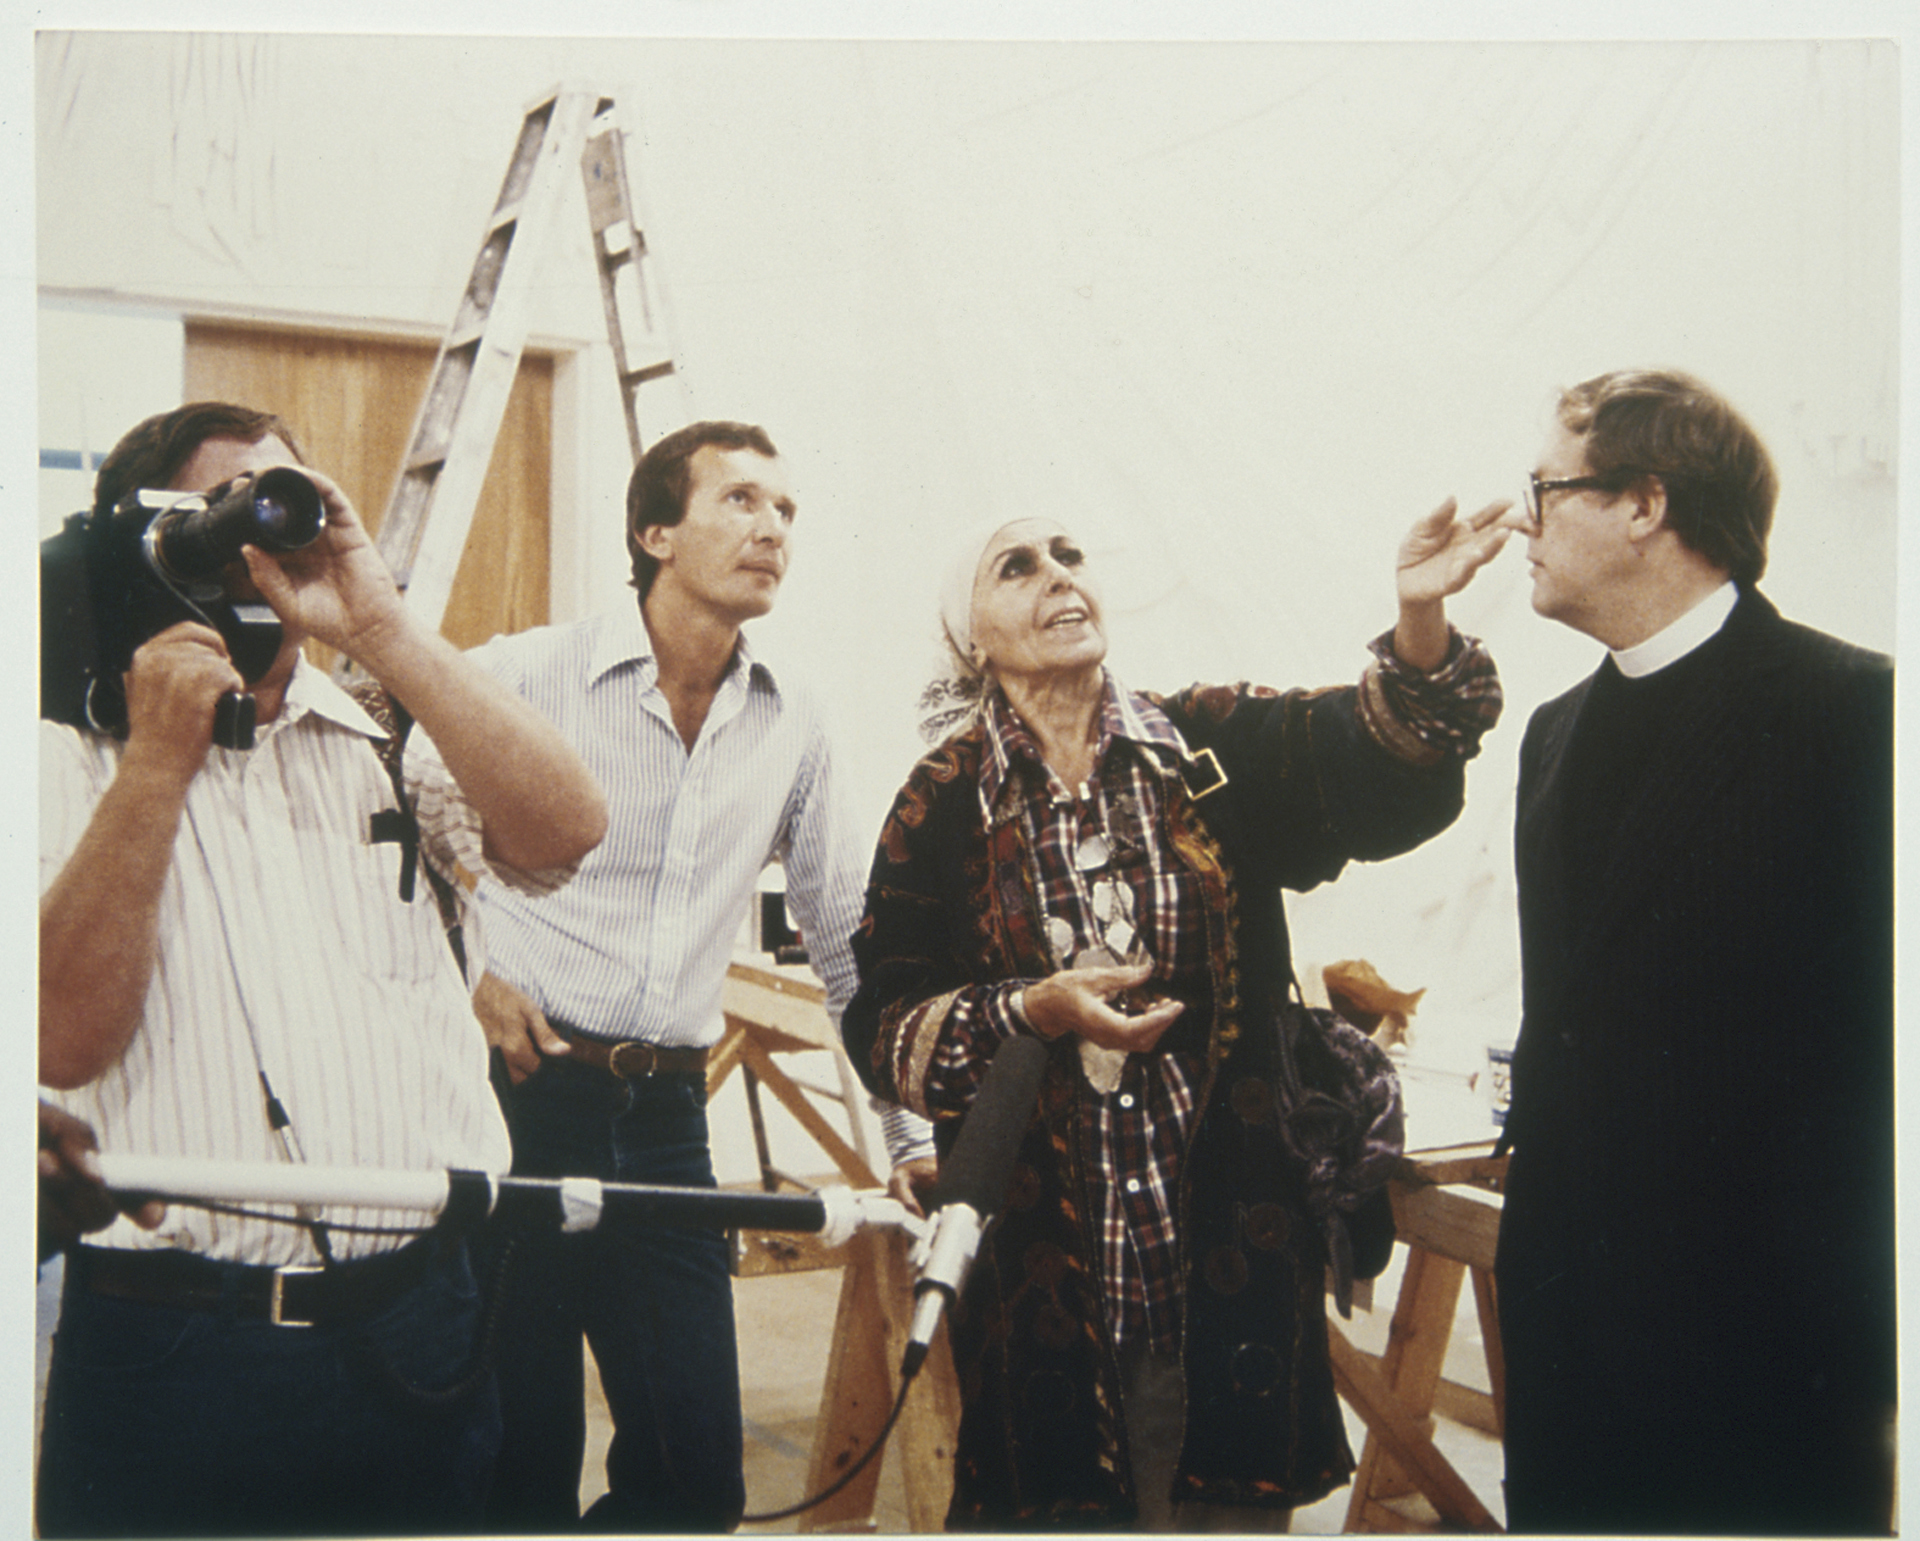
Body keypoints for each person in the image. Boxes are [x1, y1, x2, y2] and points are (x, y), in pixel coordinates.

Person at [842, 500, 1510, 1529]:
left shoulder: (1206, 740)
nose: (1061, 574)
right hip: (1048, 1286)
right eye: (1018, 566)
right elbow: (886, 1026)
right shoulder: (940, 803)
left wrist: (1418, 620)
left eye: (1070, 554)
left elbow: (1378, 769)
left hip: (1226, 1272)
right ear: (969, 634)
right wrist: (1030, 1009)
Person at [37, 401, 608, 1538]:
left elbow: (569, 826)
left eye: (287, 505)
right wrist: (155, 764)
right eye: (227, 513)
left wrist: (380, 625)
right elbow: (59, 1035)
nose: (264, 547)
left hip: (423, 1319)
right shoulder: (60, 749)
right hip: (180, 1340)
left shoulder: (385, 735)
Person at [467, 420, 891, 1532]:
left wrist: (911, 1134)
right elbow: (394, 831)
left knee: (694, 1472)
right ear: (655, 530)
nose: (772, 529)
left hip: (665, 1113)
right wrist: (469, 967)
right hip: (520, 1095)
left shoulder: (795, 712)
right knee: (519, 1460)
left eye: (787, 510)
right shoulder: (528, 670)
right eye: (741, 500)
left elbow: (840, 931)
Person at [1492, 369, 1896, 1534]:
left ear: (1644, 503)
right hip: (1574, 1336)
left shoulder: (1854, 711)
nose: (1524, 518)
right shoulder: (1551, 736)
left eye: (1546, 487)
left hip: (1766, 1356)